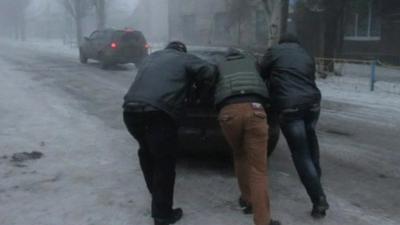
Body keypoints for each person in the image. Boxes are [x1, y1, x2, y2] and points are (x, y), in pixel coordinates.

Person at [123, 41, 217, 225]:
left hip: (130, 111)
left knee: (146, 152)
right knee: (163, 163)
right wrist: (202, 92)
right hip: (158, 113)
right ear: (182, 51)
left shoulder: (151, 58)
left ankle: (157, 198)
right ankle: (163, 215)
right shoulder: (184, 58)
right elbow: (209, 71)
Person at [259, 33, 329, 218]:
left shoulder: (274, 51)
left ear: (281, 43)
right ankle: (317, 185)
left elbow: (261, 73)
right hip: (313, 103)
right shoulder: (306, 54)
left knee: (301, 154)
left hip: (289, 105)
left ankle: (318, 198)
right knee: (311, 144)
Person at [215, 49, 281, 225]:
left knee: (239, 154)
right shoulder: (253, 63)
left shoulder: (219, 65)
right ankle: (262, 221)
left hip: (229, 112)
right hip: (256, 110)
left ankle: (247, 199)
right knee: (258, 169)